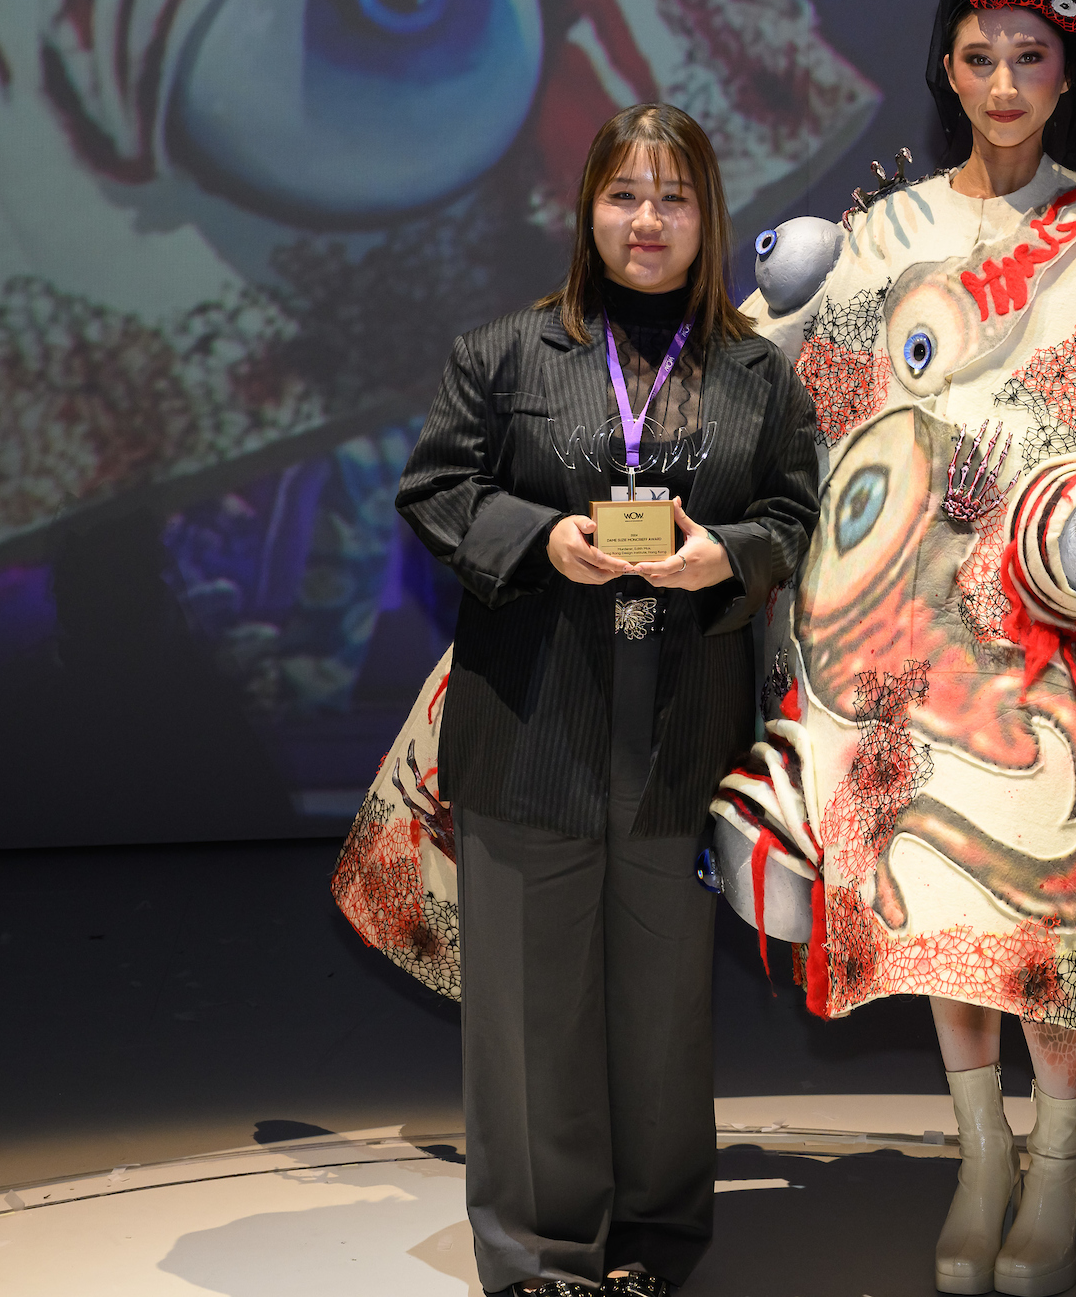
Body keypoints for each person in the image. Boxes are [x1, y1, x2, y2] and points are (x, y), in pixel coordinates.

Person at [734, 0, 1076, 1297]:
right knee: (941, 888)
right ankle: (980, 1152)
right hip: (917, 631)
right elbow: (756, 372)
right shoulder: (882, 234)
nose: (1004, 84)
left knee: (1058, 900)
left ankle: (1061, 1155)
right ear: (945, 68)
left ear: (1070, 71)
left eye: (1031, 57)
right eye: (979, 56)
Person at [396, 104, 819, 1297]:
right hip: (534, 724)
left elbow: (793, 516)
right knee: (531, 1016)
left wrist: (725, 554)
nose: (647, 220)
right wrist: (543, 539)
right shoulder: (508, 354)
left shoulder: (758, 374)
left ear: (708, 217)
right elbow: (435, 491)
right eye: (625, 194)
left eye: (673, 198)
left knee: (663, 1014)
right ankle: (540, 1257)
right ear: (587, 207)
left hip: (685, 740)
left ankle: (653, 1245)